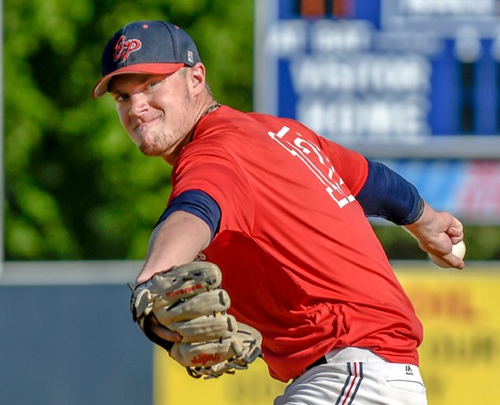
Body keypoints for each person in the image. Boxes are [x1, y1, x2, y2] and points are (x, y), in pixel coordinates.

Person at [93, 20, 465, 405]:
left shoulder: (213, 153)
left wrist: (154, 277)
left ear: (196, 78)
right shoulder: (281, 134)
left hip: (351, 373)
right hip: (362, 377)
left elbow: (194, 210)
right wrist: (428, 222)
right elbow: (375, 183)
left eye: (152, 84)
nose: (136, 107)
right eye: (122, 97)